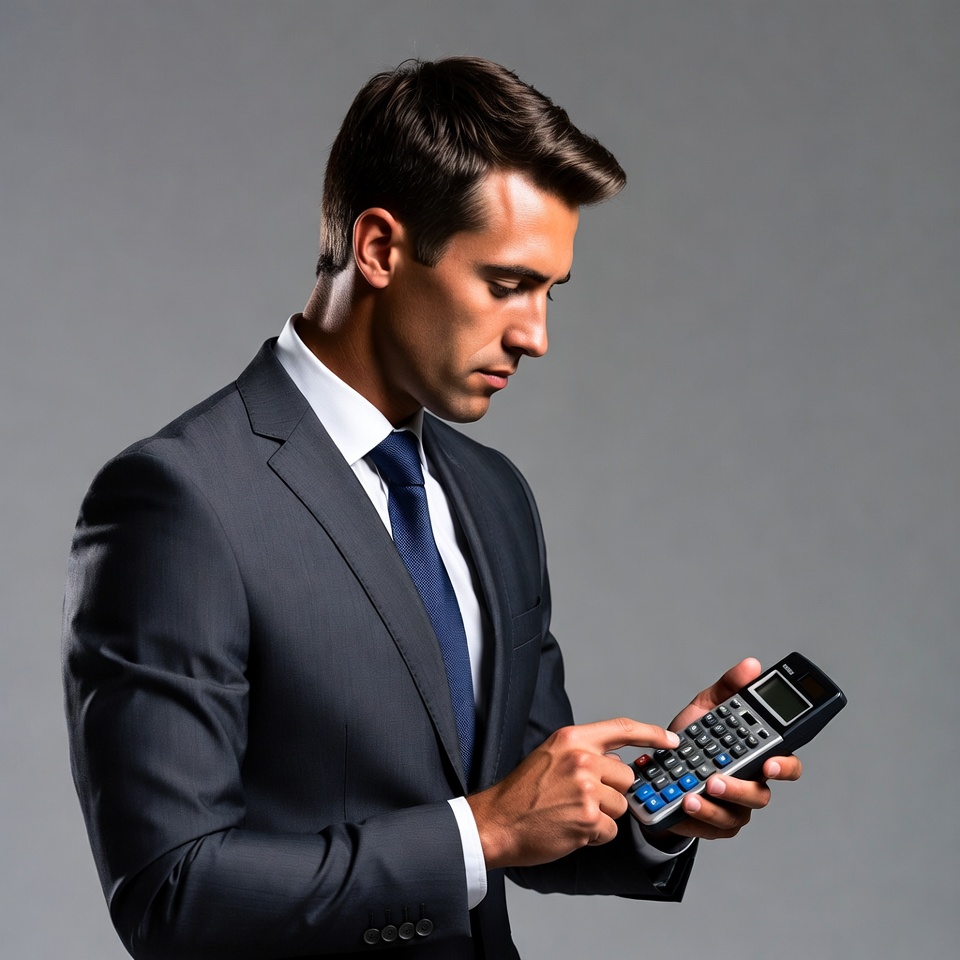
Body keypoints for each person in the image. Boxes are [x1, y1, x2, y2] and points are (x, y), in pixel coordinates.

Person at [62, 57, 801, 960]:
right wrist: (480, 832)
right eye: (506, 284)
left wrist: (657, 805)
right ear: (378, 249)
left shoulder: (493, 498)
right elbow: (170, 899)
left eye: (550, 292)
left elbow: (521, 811)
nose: (536, 335)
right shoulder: (180, 500)